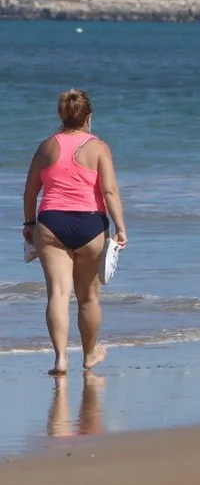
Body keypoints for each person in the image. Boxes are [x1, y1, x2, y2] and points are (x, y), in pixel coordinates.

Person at [20, 89, 127, 376]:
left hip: (51, 223)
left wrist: (29, 224)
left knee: (57, 293)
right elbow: (110, 191)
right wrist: (121, 227)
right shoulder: (99, 147)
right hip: (90, 225)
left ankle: (60, 360)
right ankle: (90, 354)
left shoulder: (46, 147)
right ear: (89, 116)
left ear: (61, 115)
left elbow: (31, 191)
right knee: (88, 298)